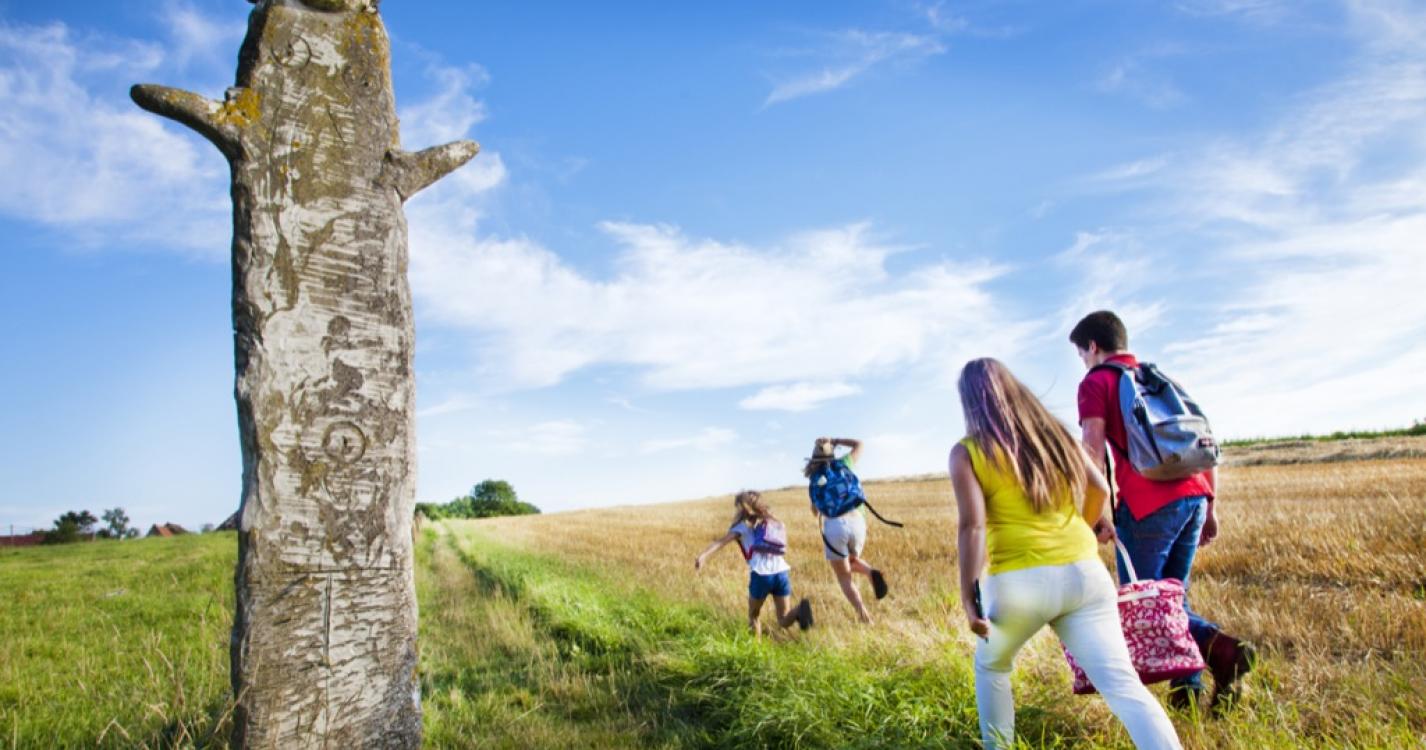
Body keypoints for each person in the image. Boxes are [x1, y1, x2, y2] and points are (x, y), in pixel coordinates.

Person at [950, 358, 1182, 750]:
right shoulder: (1055, 435)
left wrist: (969, 597)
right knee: (1124, 686)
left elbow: (972, 527)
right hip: (1085, 575)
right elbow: (1100, 489)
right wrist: (1086, 526)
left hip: (1019, 581)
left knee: (992, 667)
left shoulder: (968, 452)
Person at [1070, 310, 1255, 711]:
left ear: (1093, 347)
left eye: (1081, 354)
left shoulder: (1096, 382)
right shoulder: (1157, 379)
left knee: (1149, 606)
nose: (1082, 362)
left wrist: (1094, 512)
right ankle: (1187, 693)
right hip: (1194, 495)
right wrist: (1210, 505)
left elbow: (1091, 450)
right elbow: (1203, 440)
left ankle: (1223, 650)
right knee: (1174, 595)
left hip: (1147, 505)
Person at [694, 490, 813, 636]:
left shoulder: (742, 527)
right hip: (781, 571)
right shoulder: (771, 520)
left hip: (761, 574)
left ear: (741, 507)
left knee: (754, 616)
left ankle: (755, 648)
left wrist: (703, 556)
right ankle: (800, 609)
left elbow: (721, 542)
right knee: (783, 619)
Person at [805, 437, 889, 624]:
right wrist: (836, 440)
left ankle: (864, 616)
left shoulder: (815, 478)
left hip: (835, 526)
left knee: (844, 576)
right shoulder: (844, 463)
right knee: (850, 561)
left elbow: (815, 511)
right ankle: (870, 572)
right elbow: (860, 444)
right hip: (858, 521)